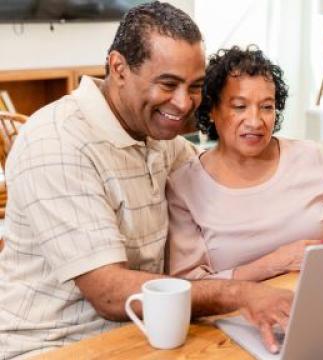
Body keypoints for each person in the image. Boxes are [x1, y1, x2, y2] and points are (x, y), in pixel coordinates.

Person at [0, 3, 291, 358]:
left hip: (147, 331)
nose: (184, 103)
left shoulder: (161, 138)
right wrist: (240, 292)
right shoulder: (57, 142)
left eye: (195, 86)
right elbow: (108, 292)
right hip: (52, 346)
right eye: (168, 84)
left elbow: (224, 202)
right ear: (118, 67)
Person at [167, 46, 323, 281]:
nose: (255, 121)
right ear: (212, 110)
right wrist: (273, 264)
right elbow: (189, 285)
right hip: (236, 317)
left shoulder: (313, 158)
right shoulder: (184, 186)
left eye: (267, 106)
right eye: (240, 107)